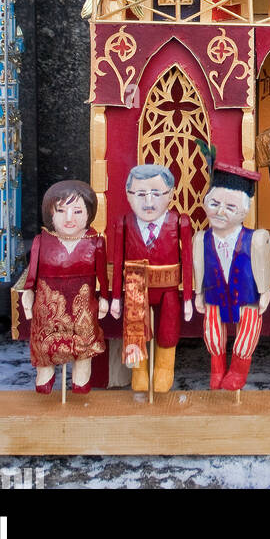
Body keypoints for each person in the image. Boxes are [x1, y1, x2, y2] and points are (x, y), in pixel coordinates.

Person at [109, 163, 193, 394]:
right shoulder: (124, 223)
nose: (148, 202)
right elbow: (117, 262)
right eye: (140, 194)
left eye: (156, 194)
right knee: (135, 333)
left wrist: (187, 298)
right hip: (135, 286)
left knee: (168, 331)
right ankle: (139, 372)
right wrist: (116, 297)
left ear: (170, 194)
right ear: (128, 195)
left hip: (168, 288)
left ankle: (165, 369)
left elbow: (187, 261)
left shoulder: (179, 222)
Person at [21, 179, 108, 394]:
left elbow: (102, 276)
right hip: (48, 305)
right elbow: (32, 275)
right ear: (50, 213)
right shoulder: (42, 241)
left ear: (89, 213)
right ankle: (45, 374)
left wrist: (105, 297)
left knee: (83, 347)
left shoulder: (95, 242)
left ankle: (80, 380)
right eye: (61, 211)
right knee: (45, 346)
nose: (69, 219)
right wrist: (27, 294)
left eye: (77, 211)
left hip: (83, 306)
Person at [193, 163, 270, 390]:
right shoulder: (201, 239)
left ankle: (238, 369)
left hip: (247, 294)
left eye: (230, 207)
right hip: (214, 292)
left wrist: (265, 292)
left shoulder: (256, 238)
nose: (220, 212)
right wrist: (198, 293)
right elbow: (198, 267)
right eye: (215, 204)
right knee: (213, 332)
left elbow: (262, 265)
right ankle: (217, 368)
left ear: (244, 212)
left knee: (247, 332)